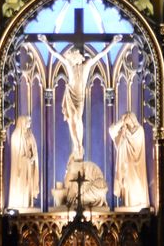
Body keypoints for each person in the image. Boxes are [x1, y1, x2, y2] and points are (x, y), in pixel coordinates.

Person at [40, 35, 120, 163]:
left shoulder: (86, 65)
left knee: (77, 118)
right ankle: (76, 144)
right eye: (71, 56)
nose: (70, 57)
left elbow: (100, 55)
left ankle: (79, 144)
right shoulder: (69, 66)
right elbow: (56, 55)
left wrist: (113, 43)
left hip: (79, 97)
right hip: (70, 94)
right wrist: (45, 43)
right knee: (72, 119)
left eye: (72, 55)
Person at [111, 112, 150, 211]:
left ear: (132, 117)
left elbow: (137, 146)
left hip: (136, 167)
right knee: (127, 184)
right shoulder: (124, 132)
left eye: (126, 117)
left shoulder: (139, 130)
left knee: (135, 185)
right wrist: (120, 123)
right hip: (126, 167)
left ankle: (137, 203)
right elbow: (111, 131)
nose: (125, 119)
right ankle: (128, 204)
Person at [7, 114, 40, 211]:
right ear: (22, 122)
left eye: (30, 121)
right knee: (22, 185)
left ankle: (28, 203)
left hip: (30, 165)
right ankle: (21, 203)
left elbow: (34, 149)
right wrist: (26, 160)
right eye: (28, 121)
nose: (29, 123)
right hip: (22, 168)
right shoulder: (16, 136)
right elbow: (17, 155)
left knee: (28, 186)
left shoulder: (30, 134)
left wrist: (33, 157)